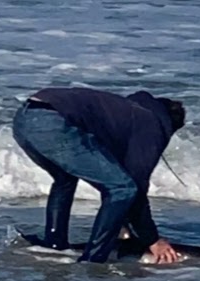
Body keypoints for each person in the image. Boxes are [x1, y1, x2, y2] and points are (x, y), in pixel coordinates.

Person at [12, 86, 186, 264]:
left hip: (24, 119)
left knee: (65, 178)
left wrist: (122, 222)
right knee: (122, 189)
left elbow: (117, 172)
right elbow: (134, 188)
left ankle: (54, 243)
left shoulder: (126, 111)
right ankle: (93, 259)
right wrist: (153, 240)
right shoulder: (152, 124)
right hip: (53, 122)